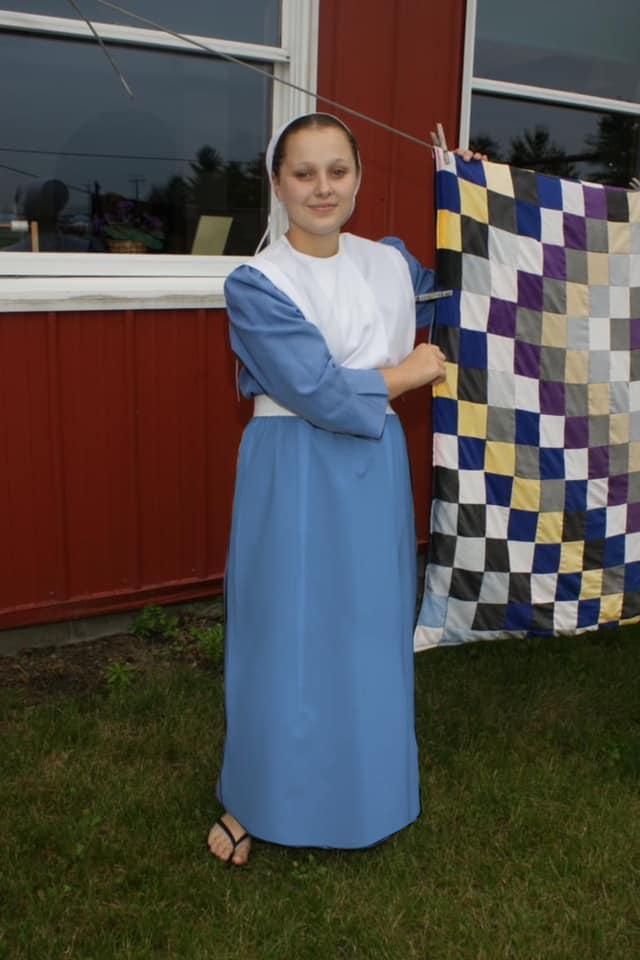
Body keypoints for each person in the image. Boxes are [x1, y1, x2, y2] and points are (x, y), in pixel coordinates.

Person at [208, 112, 473, 865]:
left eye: (338, 171)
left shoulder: (389, 261)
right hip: (291, 467)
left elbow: (466, 293)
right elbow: (317, 390)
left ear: (358, 177)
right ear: (278, 182)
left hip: (371, 467)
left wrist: (477, 193)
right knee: (282, 632)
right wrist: (410, 373)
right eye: (304, 173)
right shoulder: (256, 283)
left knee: (363, 627)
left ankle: (368, 791)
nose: (323, 188)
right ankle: (257, 798)